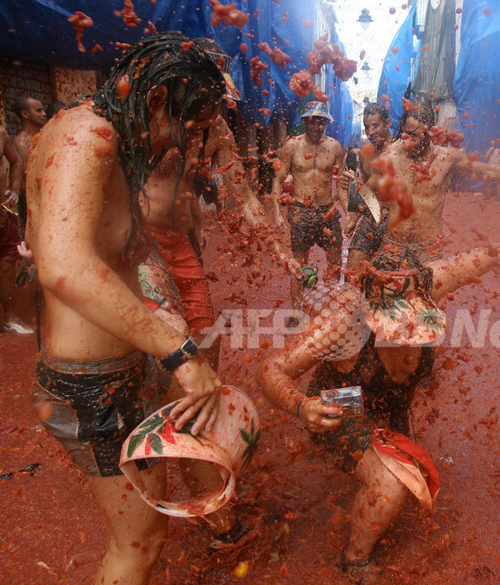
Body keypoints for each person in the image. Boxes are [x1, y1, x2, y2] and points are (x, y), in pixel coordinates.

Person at [257, 242, 500, 585]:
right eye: (397, 331)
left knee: (406, 474)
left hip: (390, 406)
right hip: (341, 407)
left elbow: (494, 253)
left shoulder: (431, 281)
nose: (408, 339)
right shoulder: (342, 322)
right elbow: (271, 369)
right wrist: (301, 406)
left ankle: (374, 469)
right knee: (391, 486)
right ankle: (355, 561)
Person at [26, 34, 224, 585]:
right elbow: (62, 265)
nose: (183, 145)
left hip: (116, 372)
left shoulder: (99, 135)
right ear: (156, 96)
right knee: (138, 542)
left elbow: (118, 261)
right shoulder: (89, 136)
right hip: (89, 389)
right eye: (187, 127)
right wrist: (178, 352)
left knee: (148, 528)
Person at [140, 39, 299, 368]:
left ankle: (199, 410)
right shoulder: (147, 117)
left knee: (204, 338)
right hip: (135, 240)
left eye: (216, 101)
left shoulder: (218, 130)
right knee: (164, 338)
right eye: (203, 100)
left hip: (178, 240)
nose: (212, 109)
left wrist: (279, 253)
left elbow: (245, 196)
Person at [364, 102, 500, 259]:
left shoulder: (446, 158)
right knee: (387, 307)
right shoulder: (391, 155)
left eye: (415, 136)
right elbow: (368, 189)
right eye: (406, 135)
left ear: (430, 131)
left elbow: (489, 171)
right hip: (394, 246)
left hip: (427, 250)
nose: (410, 142)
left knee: (431, 308)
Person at [271, 100, 344, 317]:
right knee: (299, 265)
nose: (316, 127)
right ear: (304, 121)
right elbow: (278, 179)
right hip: (301, 211)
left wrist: (348, 212)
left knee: (335, 262)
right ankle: (296, 313)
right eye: (312, 121)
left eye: (321, 122)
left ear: (326, 123)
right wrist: (277, 213)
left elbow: (341, 183)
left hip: (327, 211)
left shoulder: (335, 147)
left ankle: (329, 309)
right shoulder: (292, 146)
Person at [339, 101, 393, 269]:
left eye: (375, 126)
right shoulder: (365, 153)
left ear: (387, 124)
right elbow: (369, 191)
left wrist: (353, 217)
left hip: (394, 222)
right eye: (367, 127)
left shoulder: (399, 151)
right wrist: (349, 186)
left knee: (383, 277)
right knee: (352, 272)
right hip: (371, 217)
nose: (371, 132)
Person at [0, 122, 29, 342]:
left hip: (2, 212)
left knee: (6, 270)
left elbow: (16, 161)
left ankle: (11, 319)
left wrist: (15, 190)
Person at [12, 96, 48, 238]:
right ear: (25, 114)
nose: (44, 114)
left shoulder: (46, 133)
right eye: (38, 110)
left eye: (43, 110)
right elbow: (30, 180)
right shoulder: (22, 143)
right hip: (37, 200)